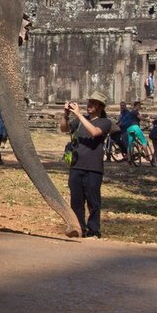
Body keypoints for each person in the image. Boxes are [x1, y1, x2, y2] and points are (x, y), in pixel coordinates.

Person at [59, 90, 112, 239]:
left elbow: (95, 132)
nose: (89, 105)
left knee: (93, 201)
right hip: (76, 166)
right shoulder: (80, 121)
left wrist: (80, 115)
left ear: (100, 107)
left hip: (93, 168)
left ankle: (94, 230)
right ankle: (79, 228)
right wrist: (65, 115)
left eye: (93, 103)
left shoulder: (105, 122)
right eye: (89, 102)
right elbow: (64, 128)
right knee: (76, 200)